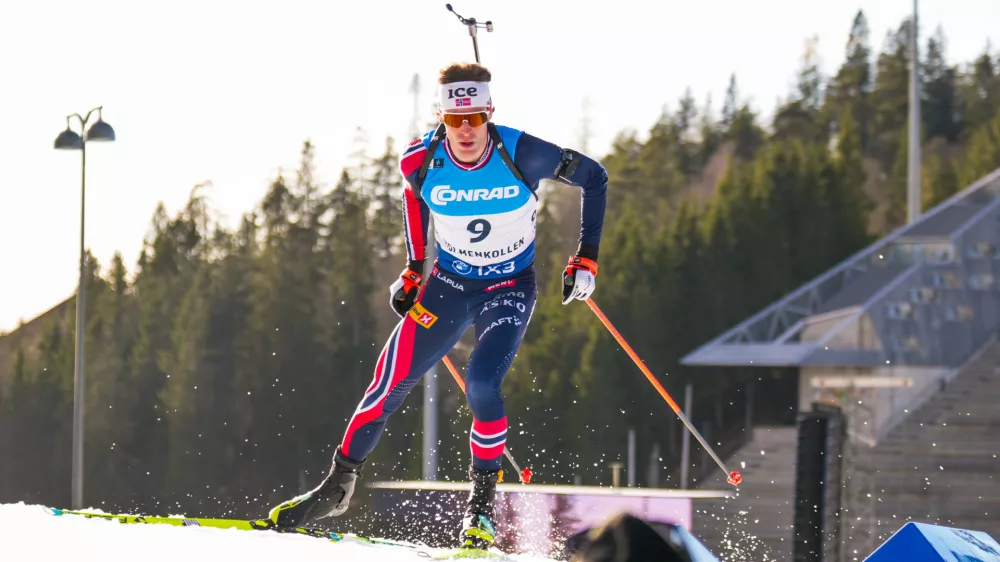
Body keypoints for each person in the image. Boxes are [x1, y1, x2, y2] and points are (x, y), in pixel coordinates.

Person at [266, 61, 609, 551]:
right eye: (454, 120)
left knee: (482, 383)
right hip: (447, 287)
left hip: (509, 287)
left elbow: (594, 177)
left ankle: (480, 511)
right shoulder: (419, 160)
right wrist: (413, 267)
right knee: (386, 386)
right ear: (441, 118)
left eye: (474, 118)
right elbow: (414, 200)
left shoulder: (523, 152)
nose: (465, 130)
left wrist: (586, 259)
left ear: (489, 112)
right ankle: (336, 487)